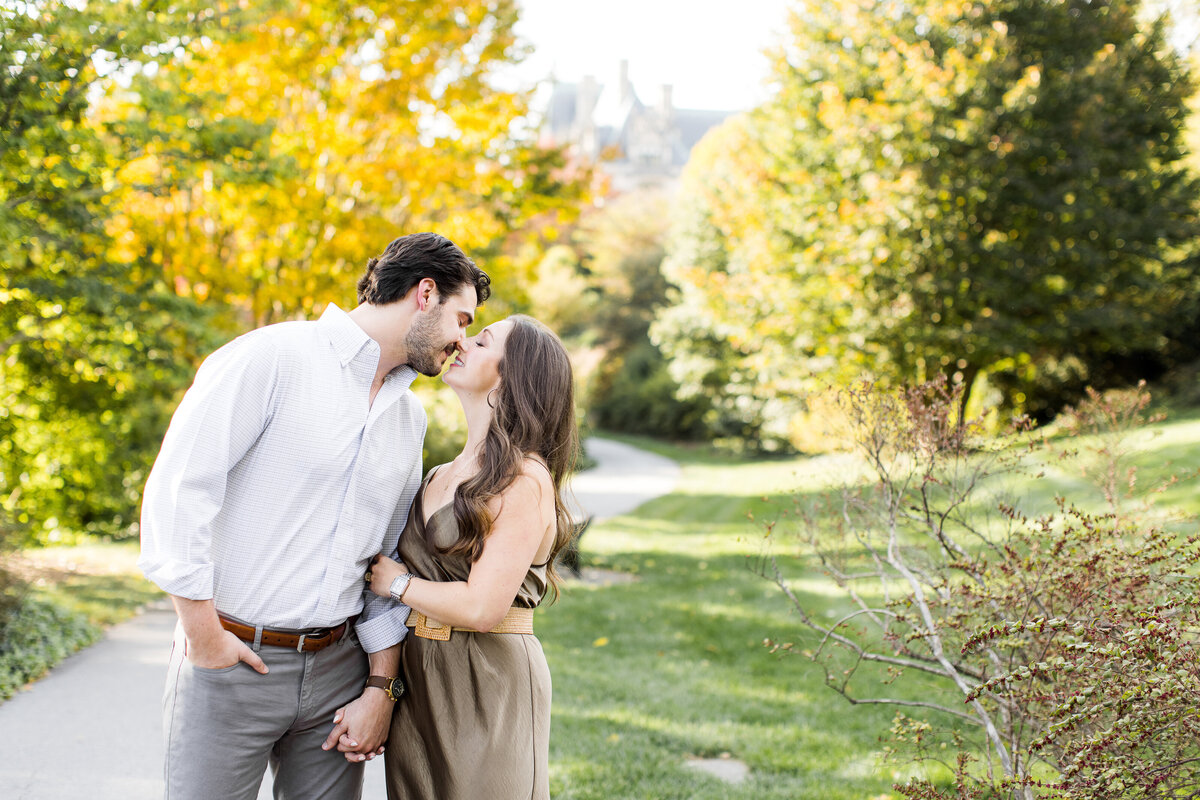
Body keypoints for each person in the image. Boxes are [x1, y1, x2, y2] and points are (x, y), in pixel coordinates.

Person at [138, 231, 491, 800]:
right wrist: (204, 637)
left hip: (339, 676)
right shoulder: (271, 357)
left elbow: (385, 559)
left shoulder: (408, 418)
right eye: (463, 319)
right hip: (231, 660)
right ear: (425, 293)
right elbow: (179, 492)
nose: (461, 340)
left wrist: (380, 685)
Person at [365, 314, 578, 800]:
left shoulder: (524, 480)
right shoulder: (441, 471)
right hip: (423, 680)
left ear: (512, 377)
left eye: (482, 341)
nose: (461, 342)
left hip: (487, 682)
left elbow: (484, 608)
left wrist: (396, 585)